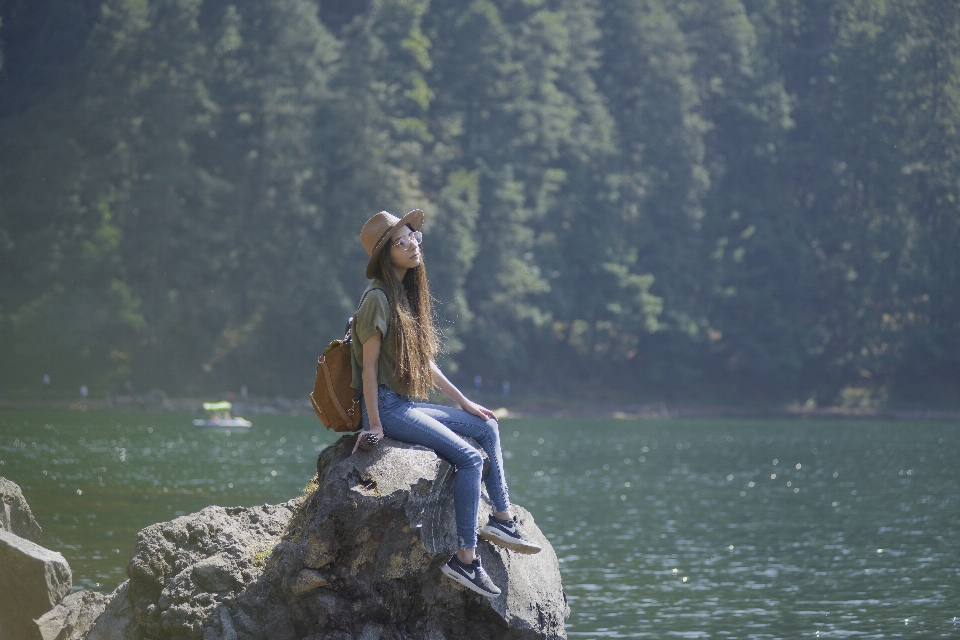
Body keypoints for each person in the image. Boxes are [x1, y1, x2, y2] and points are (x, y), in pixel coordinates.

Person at [350, 209, 541, 599]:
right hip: (387, 407)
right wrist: (374, 425)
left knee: (487, 425)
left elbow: (424, 363)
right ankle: (465, 560)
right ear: (387, 255)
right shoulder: (377, 298)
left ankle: (502, 519)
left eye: (414, 236)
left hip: (404, 401)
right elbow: (368, 369)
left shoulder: (404, 294)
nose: (413, 245)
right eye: (402, 242)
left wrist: (466, 402)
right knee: (469, 459)